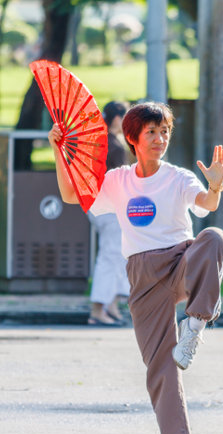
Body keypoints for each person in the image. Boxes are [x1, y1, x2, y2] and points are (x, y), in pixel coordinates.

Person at [48, 102, 223, 434]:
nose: (160, 139)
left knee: (214, 238)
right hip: (144, 279)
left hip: (180, 263)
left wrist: (216, 187)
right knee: (161, 372)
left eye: (165, 132)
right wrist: (59, 151)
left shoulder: (178, 177)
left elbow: (207, 204)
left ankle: (195, 323)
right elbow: (71, 195)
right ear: (133, 138)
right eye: (152, 132)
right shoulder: (118, 181)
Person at [87, 101, 130, 326]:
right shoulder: (114, 146)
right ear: (116, 118)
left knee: (116, 255)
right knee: (110, 255)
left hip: (96, 205)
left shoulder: (98, 141)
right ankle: (97, 310)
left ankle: (111, 306)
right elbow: (119, 182)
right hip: (110, 207)